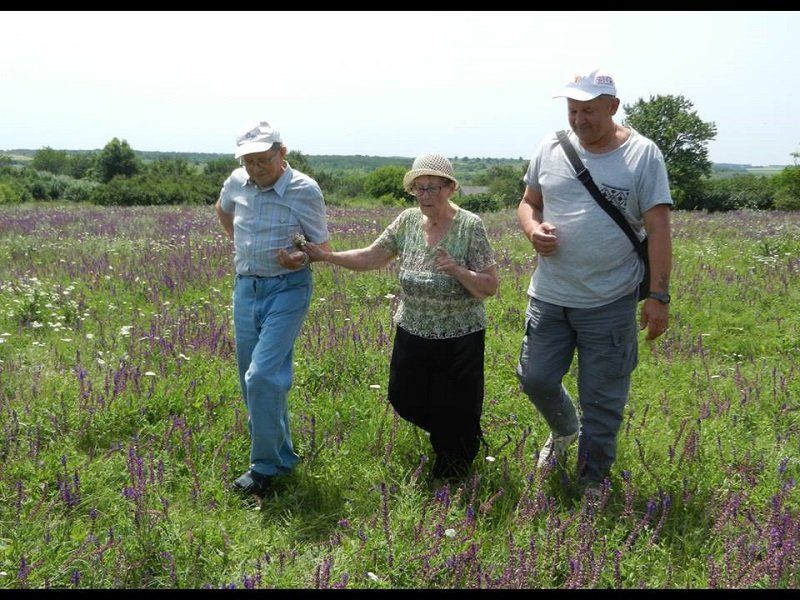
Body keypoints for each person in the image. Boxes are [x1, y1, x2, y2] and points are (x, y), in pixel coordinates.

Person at [515, 68, 673, 498]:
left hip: (610, 300)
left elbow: (658, 229)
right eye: (573, 111)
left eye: (589, 111)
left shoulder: (644, 155)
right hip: (549, 295)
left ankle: (591, 484)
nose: (580, 121)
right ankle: (564, 430)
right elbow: (528, 203)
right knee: (536, 378)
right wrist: (532, 230)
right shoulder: (550, 147)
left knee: (602, 400)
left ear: (613, 108)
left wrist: (658, 296)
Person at [302, 154, 499, 482]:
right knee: (404, 397)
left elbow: (489, 286)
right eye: (418, 189)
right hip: (413, 329)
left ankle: (453, 468)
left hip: (460, 335)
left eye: (432, 188)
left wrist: (457, 270)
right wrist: (325, 256)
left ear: (450, 188)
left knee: (456, 407)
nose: (424, 196)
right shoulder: (407, 221)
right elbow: (371, 256)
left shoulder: (470, 225)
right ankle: (456, 435)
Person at [216, 121, 330, 497]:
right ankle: (282, 456)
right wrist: (241, 245)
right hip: (246, 288)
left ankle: (263, 468)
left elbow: (321, 247)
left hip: (288, 290)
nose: (255, 168)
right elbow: (224, 210)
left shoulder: (303, 189)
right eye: (248, 161)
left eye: (262, 160)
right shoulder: (236, 182)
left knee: (262, 376)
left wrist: (298, 257)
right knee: (255, 382)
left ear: (282, 153)